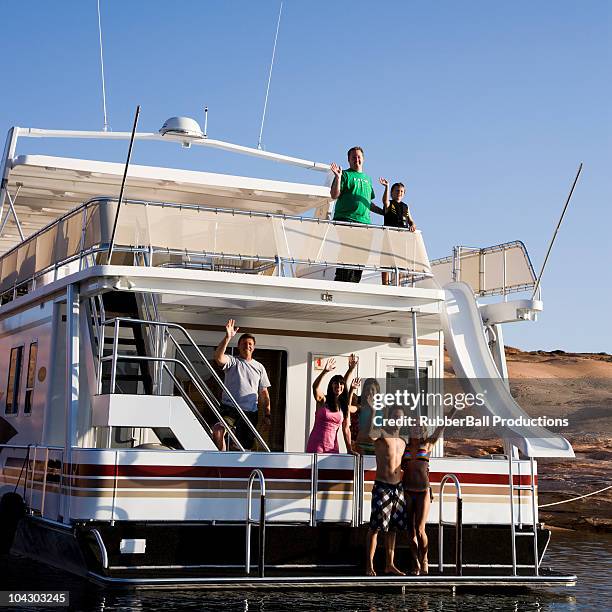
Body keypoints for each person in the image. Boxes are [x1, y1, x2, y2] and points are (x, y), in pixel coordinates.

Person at [402, 407, 457, 575]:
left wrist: (454, 409)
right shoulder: (404, 445)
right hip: (407, 490)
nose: (416, 427)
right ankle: (415, 562)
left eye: (419, 425)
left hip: (423, 490)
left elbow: (442, 427)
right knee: (409, 531)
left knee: (420, 529)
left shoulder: (428, 444)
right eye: (414, 425)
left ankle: (425, 558)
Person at [212, 319, 271, 451]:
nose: (247, 346)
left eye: (250, 344)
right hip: (230, 408)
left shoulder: (259, 367)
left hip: (250, 412)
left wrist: (267, 414)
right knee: (218, 430)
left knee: (243, 448)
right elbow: (218, 357)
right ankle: (221, 461)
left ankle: (238, 469)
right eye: (244, 343)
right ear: (238, 346)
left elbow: (264, 393)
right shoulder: (233, 361)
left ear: (253, 347)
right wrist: (228, 337)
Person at [330, 146, 384, 283]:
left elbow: (368, 203)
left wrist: (384, 212)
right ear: (348, 160)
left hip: (364, 223)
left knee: (361, 255)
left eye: (359, 157)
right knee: (348, 252)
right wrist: (337, 177)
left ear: (363, 159)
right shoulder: (345, 175)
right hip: (346, 220)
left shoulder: (368, 179)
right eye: (353, 157)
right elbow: (334, 195)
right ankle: (341, 283)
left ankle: (354, 284)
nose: (356, 159)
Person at [366, 405, 407, 576]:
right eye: (395, 417)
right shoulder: (382, 434)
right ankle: (369, 565)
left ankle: (389, 564)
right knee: (375, 527)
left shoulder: (403, 441)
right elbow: (370, 434)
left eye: (401, 417)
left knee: (393, 529)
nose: (398, 420)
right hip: (382, 485)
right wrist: (374, 411)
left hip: (398, 488)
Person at [306, 358, 357, 454]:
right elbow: (315, 387)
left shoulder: (343, 407)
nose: (338, 385)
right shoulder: (323, 400)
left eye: (341, 384)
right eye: (335, 383)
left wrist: (349, 449)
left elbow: (346, 429)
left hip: (332, 447)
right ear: (331, 386)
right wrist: (324, 372)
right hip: (317, 445)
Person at [379, 178, 417, 286]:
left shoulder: (406, 207)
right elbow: (385, 202)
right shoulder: (389, 204)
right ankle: (385, 285)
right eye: (397, 191)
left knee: (400, 262)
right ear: (392, 193)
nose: (399, 193)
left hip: (401, 240)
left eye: (401, 191)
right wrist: (386, 187)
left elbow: (411, 220)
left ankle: (398, 284)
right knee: (386, 262)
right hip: (388, 238)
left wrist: (413, 225)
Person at [350, 378, 381, 455]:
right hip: (360, 446)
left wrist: (373, 410)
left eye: (372, 390)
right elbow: (347, 408)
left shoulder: (383, 410)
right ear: (364, 392)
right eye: (367, 390)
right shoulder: (360, 407)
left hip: (376, 447)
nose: (370, 392)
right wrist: (351, 390)